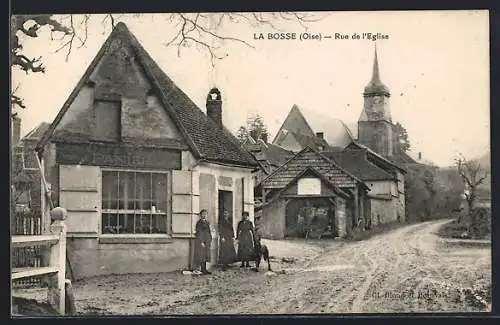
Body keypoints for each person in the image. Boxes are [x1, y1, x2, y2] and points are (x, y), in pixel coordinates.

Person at [194, 209, 212, 275]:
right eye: (203, 214)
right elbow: (198, 233)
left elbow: (209, 231)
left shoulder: (207, 222)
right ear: (200, 215)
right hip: (202, 241)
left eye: (205, 214)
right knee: (202, 256)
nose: (204, 215)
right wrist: (201, 242)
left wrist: (210, 239)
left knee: (206, 255)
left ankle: (205, 269)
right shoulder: (199, 223)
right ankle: (202, 269)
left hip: (207, 241)